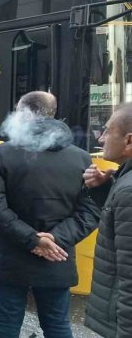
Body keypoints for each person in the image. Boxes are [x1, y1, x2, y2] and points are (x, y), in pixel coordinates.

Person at [0, 91, 99, 338]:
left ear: (24, 113)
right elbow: (89, 211)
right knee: (57, 325)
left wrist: (33, 240)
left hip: (10, 256)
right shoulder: (81, 158)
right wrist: (54, 241)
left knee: (6, 323)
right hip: (57, 256)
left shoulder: (1, 154)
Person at [84, 105, 132, 337]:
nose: (101, 139)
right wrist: (106, 189)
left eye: (107, 131)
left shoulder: (128, 191)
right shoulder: (123, 182)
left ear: (129, 140)